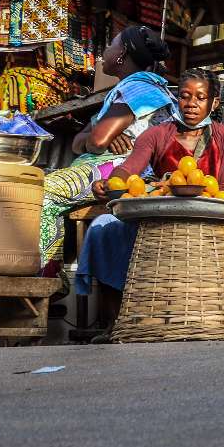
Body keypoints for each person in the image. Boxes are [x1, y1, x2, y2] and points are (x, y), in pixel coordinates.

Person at [78, 69, 224, 328]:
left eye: (200, 98)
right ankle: (113, 324)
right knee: (103, 228)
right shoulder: (157, 134)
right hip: (157, 219)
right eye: (185, 96)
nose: (191, 104)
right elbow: (128, 169)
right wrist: (110, 183)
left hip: (207, 219)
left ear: (213, 103)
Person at [39, 25, 175, 273]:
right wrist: (97, 137)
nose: (104, 52)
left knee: (41, 190)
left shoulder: (139, 88)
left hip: (120, 172)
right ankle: (50, 274)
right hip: (106, 166)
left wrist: (97, 138)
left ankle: (48, 277)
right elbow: (78, 142)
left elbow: (94, 142)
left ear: (122, 54)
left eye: (111, 45)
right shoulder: (127, 90)